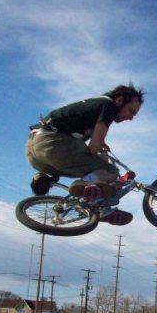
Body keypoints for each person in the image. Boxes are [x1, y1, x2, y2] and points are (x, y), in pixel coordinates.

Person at [25, 84, 144, 225]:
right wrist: (105, 159)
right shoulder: (109, 106)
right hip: (53, 144)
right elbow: (94, 148)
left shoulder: (94, 107)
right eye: (131, 111)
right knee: (110, 171)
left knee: (96, 170)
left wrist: (101, 148)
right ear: (119, 100)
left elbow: (90, 149)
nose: (131, 118)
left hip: (34, 153)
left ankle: (45, 179)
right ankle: (90, 197)